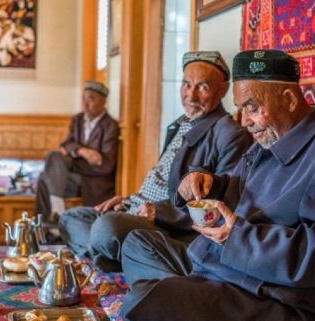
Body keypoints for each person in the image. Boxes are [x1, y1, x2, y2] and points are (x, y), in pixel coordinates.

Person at [119, 49, 315, 321]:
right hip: (222, 268)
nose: (245, 122)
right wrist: (207, 179)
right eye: (240, 109)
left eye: (251, 108)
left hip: (275, 303)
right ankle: (188, 301)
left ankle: (184, 301)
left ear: (290, 100)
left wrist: (235, 235)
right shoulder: (267, 139)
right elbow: (234, 183)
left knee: (141, 303)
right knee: (135, 245)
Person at [59, 51, 253, 272]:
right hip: (137, 209)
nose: (191, 96)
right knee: (70, 218)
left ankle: (116, 256)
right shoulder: (179, 124)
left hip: (171, 226)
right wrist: (129, 201)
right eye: (186, 85)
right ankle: (122, 258)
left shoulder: (230, 134)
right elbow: (162, 181)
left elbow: (222, 206)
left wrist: (158, 213)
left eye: (202, 87)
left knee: (106, 228)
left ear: (223, 90)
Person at [34, 81, 120, 225]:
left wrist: (73, 155)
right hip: (75, 173)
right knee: (52, 158)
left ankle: (53, 224)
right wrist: (82, 151)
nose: (85, 104)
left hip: (93, 181)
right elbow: (65, 144)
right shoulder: (78, 119)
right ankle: (49, 222)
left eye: (91, 99)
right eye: (83, 98)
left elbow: (105, 165)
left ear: (103, 102)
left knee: (46, 178)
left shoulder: (110, 125)